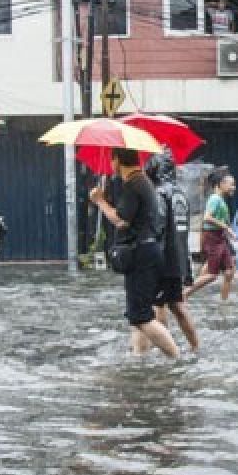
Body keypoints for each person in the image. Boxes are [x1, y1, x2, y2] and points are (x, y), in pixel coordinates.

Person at [90, 147, 180, 358]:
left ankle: (176, 357)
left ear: (117, 160)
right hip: (147, 251)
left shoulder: (134, 184)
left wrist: (100, 201)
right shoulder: (142, 182)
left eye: (111, 160)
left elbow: (121, 220)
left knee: (141, 317)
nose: (110, 166)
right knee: (137, 315)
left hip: (141, 254)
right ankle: (139, 358)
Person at [138, 151, 199, 352]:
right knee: (176, 306)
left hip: (162, 259)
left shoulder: (159, 194)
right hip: (179, 259)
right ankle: (195, 347)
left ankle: (165, 347)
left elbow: (158, 227)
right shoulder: (180, 194)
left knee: (153, 306)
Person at [185, 169, 237, 301]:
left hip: (220, 238)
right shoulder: (214, 199)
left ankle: (223, 302)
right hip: (213, 238)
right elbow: (207, 218)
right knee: (212, 275)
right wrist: (227, 228)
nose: (234, 188)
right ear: (221, 184)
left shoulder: (220, 199)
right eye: (231, 184)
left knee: (229, 272)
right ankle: (182, 295)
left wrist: (227, 231)